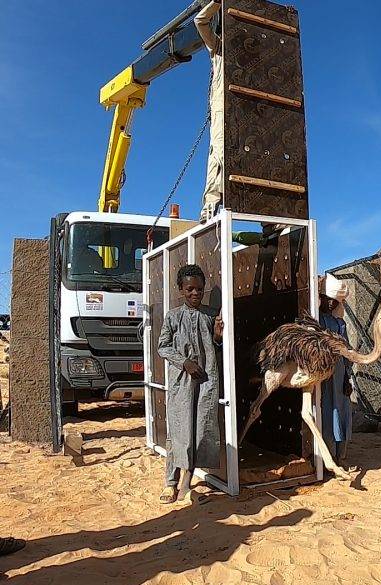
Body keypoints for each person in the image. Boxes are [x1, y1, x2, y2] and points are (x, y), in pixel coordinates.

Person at [158, 264, 224, 503]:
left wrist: (217, 337)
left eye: (199, 289)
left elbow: (216, 347)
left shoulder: (210, 315)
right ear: (181, 290)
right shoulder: (173, 316)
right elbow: (163, 346)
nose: (195, 293)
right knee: (178, 431)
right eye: (190, 289)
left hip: (205, 382)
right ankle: (170, 483)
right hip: (181, 382)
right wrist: (184, 363)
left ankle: (186, 483)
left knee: (200, 429)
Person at [194, 0, 224, 223]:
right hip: (222, 109)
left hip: (248, 112)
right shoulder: (219, 47)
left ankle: (268, 217)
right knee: (219, 152)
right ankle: (211, 204)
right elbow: (200, 21)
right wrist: (216, 3)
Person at [319, 274, 353, 466]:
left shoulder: (340, 324)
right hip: (321, 374)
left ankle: (341, 456)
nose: (331, 304)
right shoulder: (316, 321)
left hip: (339, 374)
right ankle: (326, 458)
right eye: (328, 299)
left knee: (341, 411)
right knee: (325, 412)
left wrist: (347, 377)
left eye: (335, 301)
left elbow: (346, 351)